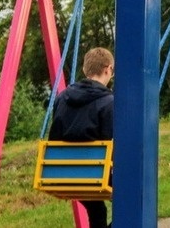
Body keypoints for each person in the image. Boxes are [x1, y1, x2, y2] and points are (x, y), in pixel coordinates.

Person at [49, 47, 115, 228]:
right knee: (131, 198)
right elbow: (111, 141)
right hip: (97, 175)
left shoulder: (62, 98)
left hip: (66, 175)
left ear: (86, 70)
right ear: (108, 69)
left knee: (97, 210)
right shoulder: (109, 102)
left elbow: (55, 135)